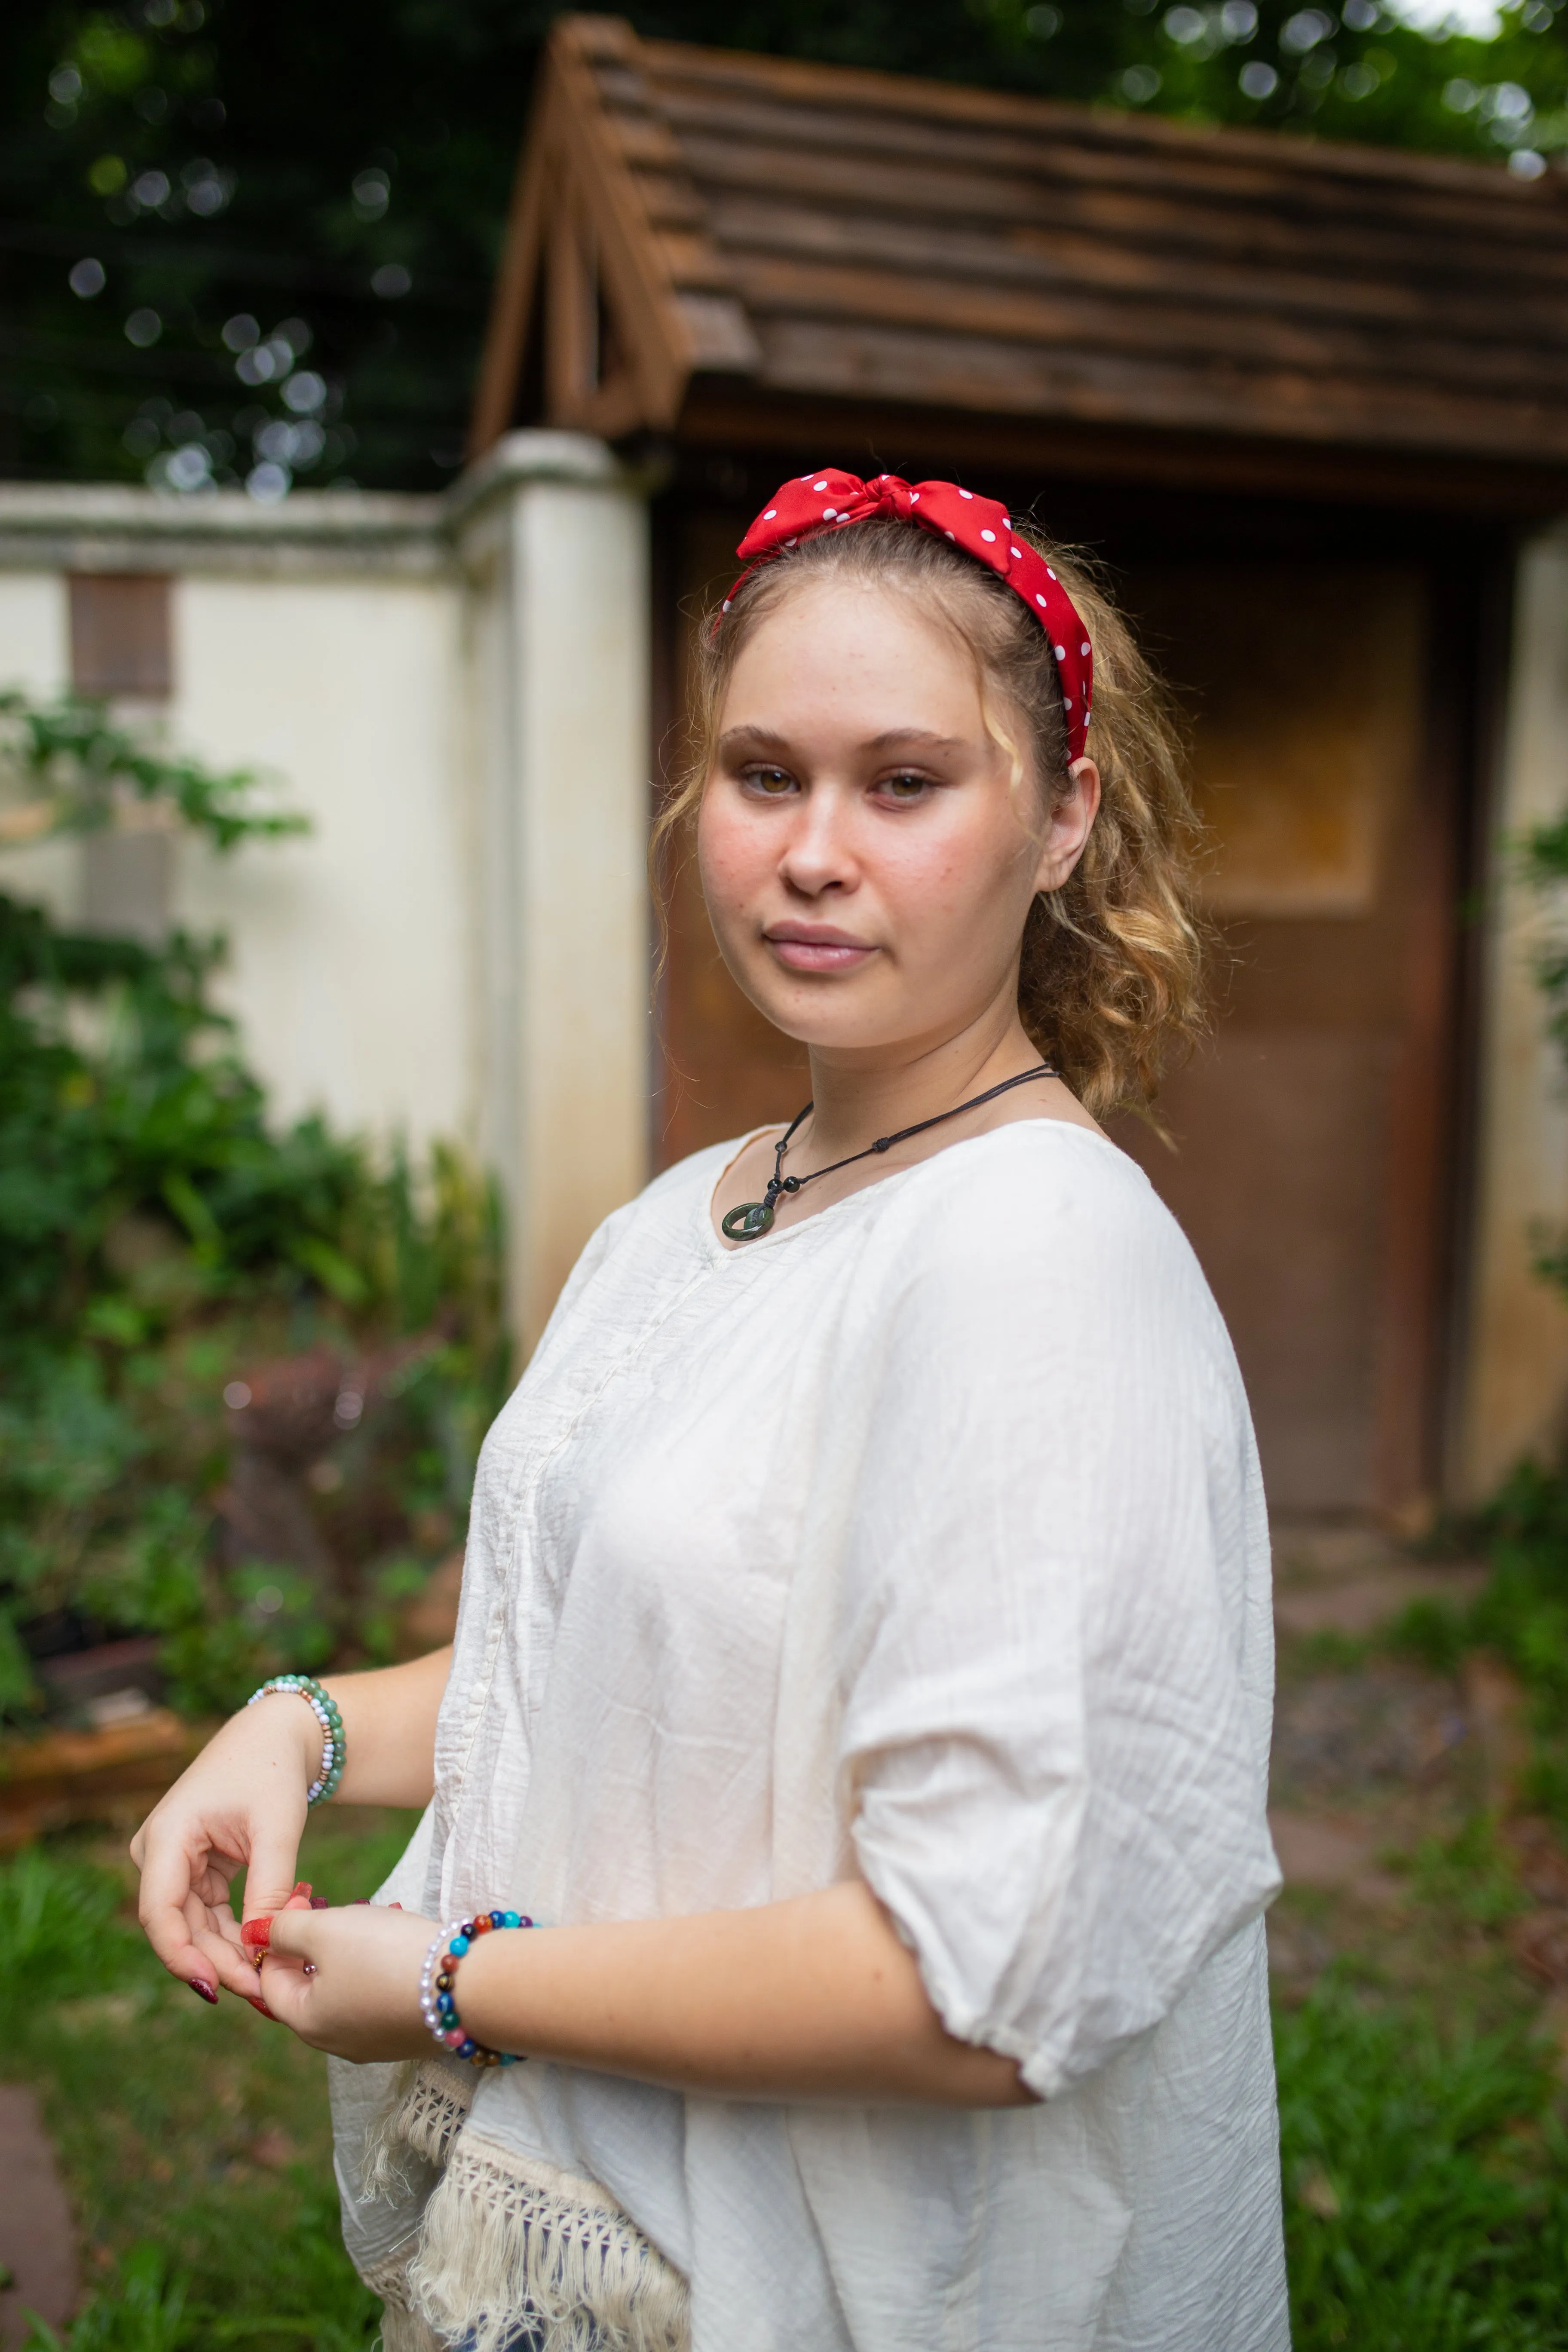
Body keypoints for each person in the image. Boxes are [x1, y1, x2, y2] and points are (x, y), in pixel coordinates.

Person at [131, 469, 1287, 2352]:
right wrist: (305, 1728)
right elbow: (611, 1656)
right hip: (610, 2234)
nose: (814, 852)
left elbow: (974, 1984)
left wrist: (451, 1982)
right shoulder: (694, 1212)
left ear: (1063, 815)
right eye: (765, 775)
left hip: (863, 2282)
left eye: (905, 783)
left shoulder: (1036, 1261)